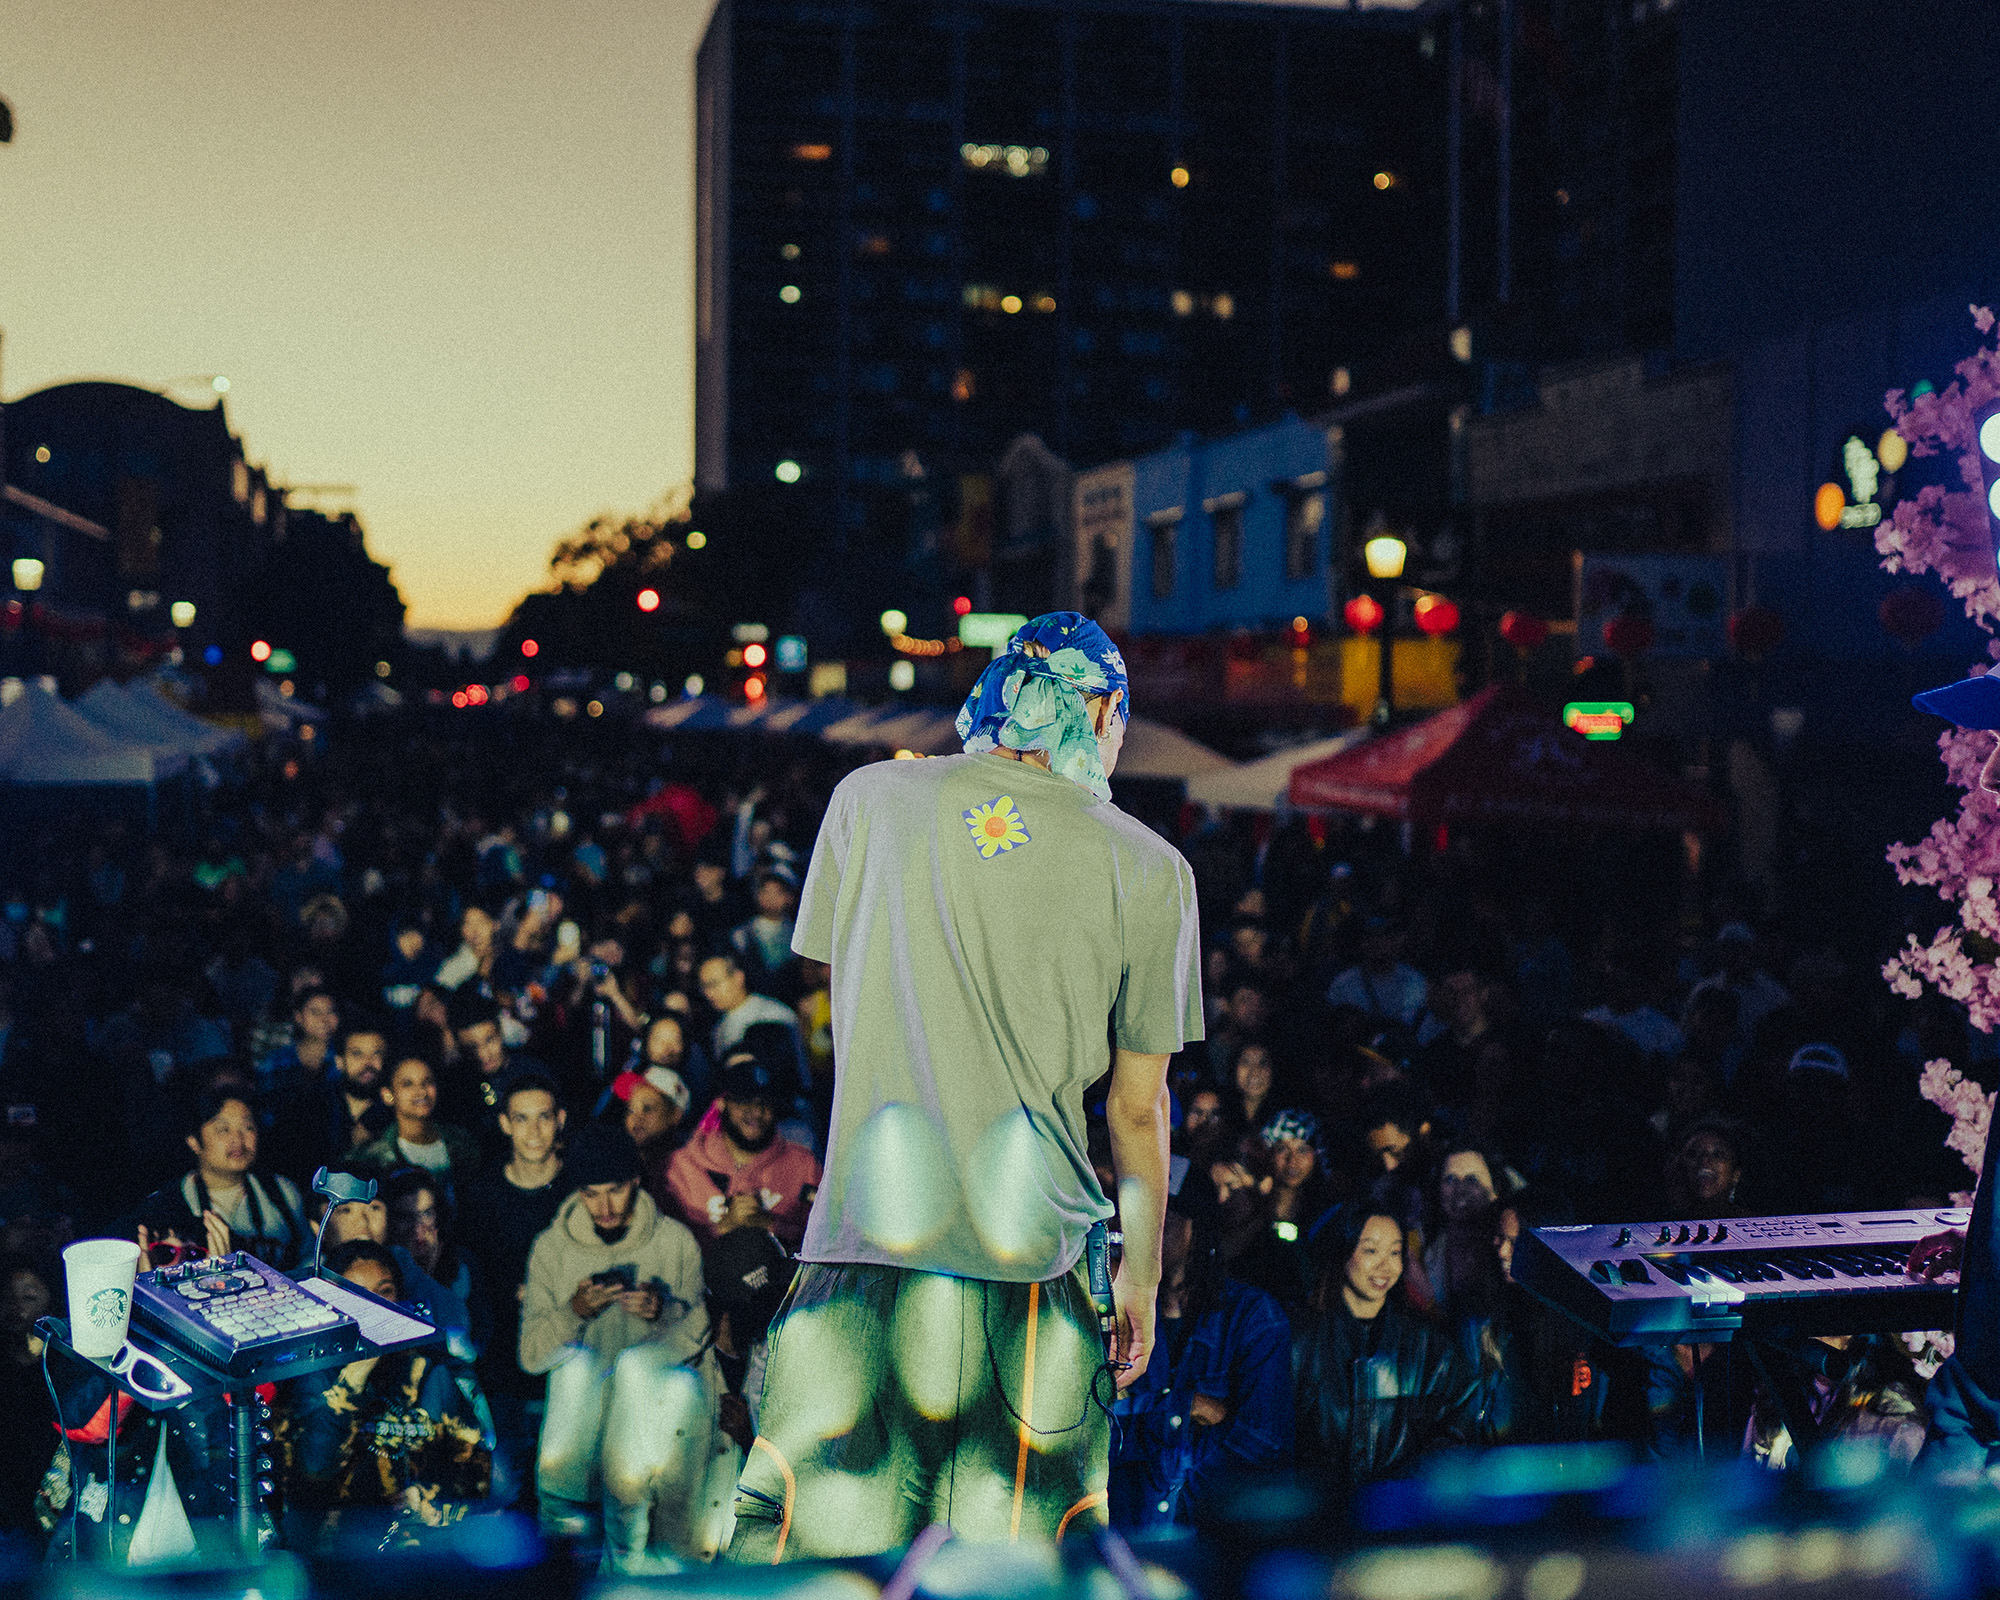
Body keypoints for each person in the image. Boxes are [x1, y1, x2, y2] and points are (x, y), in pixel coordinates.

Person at [731, 612, 1199, 1561]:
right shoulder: (1152, 868)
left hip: (867, 1240)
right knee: (1022, 1565)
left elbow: (837, 976)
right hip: (1033, 1260)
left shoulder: (869, 798)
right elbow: (1137, 1109)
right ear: (1104, 710)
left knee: (820, 1557)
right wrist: (1140, 1275)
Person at [520, 1124, 727, 1567]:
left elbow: (702, 1338)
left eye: (614, 1190)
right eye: (591, 1194)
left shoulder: (673, 1241)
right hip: (578, 1442)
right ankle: (562, 1540)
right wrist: (572, 1312)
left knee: (637, 1368)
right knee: (574, 1366)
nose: (605, 1206)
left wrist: (662, 1312)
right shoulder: (551, 1249)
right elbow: (531, 1355)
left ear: (634, 1181)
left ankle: (626, 1554)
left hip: (649, 1432)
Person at [281, 1240, 491, 1546]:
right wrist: (355, 1376)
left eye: (385, 1291)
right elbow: (312, 1472)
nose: (373, 1306)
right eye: (355, 1295)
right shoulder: (312, 1374)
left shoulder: (429, 1372)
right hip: (338, 1551)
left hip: (418, 1549)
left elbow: (474, 1472)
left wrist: (430, 1503)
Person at [1108, 1193, 1292, 1529]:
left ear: (1195, 1229)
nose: (1142, 1234)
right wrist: (1185, 1407)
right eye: (1133, 1221)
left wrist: (1148, 1418)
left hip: (1212, 1530)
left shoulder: (1254, 1317)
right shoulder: (1112, 1313)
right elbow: (1095, 1434)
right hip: (1130, 1529)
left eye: (1161, 1222)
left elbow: (1263, 1444)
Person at [1292, 1207, 1477, 1498]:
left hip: (1401, 1518)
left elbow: (1455, 1434)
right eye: (1371, 1251)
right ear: (1343, 1252)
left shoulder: (1429, 1348)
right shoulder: (1300, 1342)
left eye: (1394, 1253)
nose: (1385, 1266)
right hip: (1320, 1520)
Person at [459, 1068, 568, 1508]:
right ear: (504, 1123)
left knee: (568, 1497)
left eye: (543, 1117)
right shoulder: (482, 1194)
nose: (533, 1131)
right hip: (504, 1371)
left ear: (559, 1119)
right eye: (521, 1119)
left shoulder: (581, 1189)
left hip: (569, 1366)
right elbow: (471, 1282)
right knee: (508, 1500)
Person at [128, 1085, 310, 1270]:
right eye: (223, 1129)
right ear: (194, 1142)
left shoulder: (282, 1192)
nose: (238, 1139)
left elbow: (308, 1259)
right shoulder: (166, 1207)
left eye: (248, 1127)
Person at [665, 1058, 820, 1252]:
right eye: (744, 1101)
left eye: (765, 1103)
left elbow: (824, 1242)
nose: (756, 1111)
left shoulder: (804, 1165)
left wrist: (770, 1224)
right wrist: (725, 1226)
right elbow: (669, 1251)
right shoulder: (681, 1166)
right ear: (722, 1103)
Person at [357, 1054, 480, 1182]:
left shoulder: (462, 1142)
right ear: (387, 1095)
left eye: (427, 1082)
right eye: (408, 1084)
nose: (421, 1091)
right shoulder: (373, 1157)